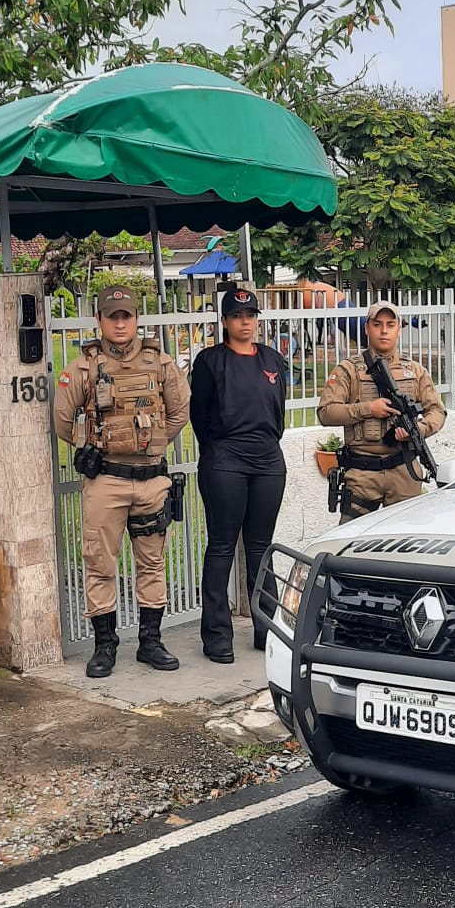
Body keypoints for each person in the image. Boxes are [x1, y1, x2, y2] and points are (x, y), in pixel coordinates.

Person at [53, 284, 190, 677]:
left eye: (126, 315)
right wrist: (94, 443)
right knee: (100, 563)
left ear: (135, 319)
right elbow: (64, 421)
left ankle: (150, 641)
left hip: (150, 481)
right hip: (106, 481)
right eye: (111, 316)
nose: (119, 323)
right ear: (98, 320)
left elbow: (179, 411)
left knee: (152, 562)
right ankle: (105, 645)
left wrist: (152, 442)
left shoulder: (161, 363)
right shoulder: (83, 368)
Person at [189, 285, 288, 663]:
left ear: (257, 319)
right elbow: (200, 416)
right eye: (236, 317)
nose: (244, 323)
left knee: (262, 548)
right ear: (225, 321)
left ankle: (268, 629)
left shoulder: (273, 359)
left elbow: (277, 414)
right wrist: (219, 449)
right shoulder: (211, 361)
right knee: (222, 546)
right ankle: (216, 635)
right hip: (225, 459)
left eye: (250, 316)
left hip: (267, 461)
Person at [317, 301, 446, 522]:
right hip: (362, 472)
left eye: (390, 324)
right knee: (353, 542)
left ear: (399, 328)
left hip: (404, 469)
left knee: (405, 543)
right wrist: (368, 409)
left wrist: (418, 429)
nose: (384, 330)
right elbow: (326, 413)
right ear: (367, 328)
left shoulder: (415, 371)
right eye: (377, 324)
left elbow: (437, 412)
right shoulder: (348, 369)